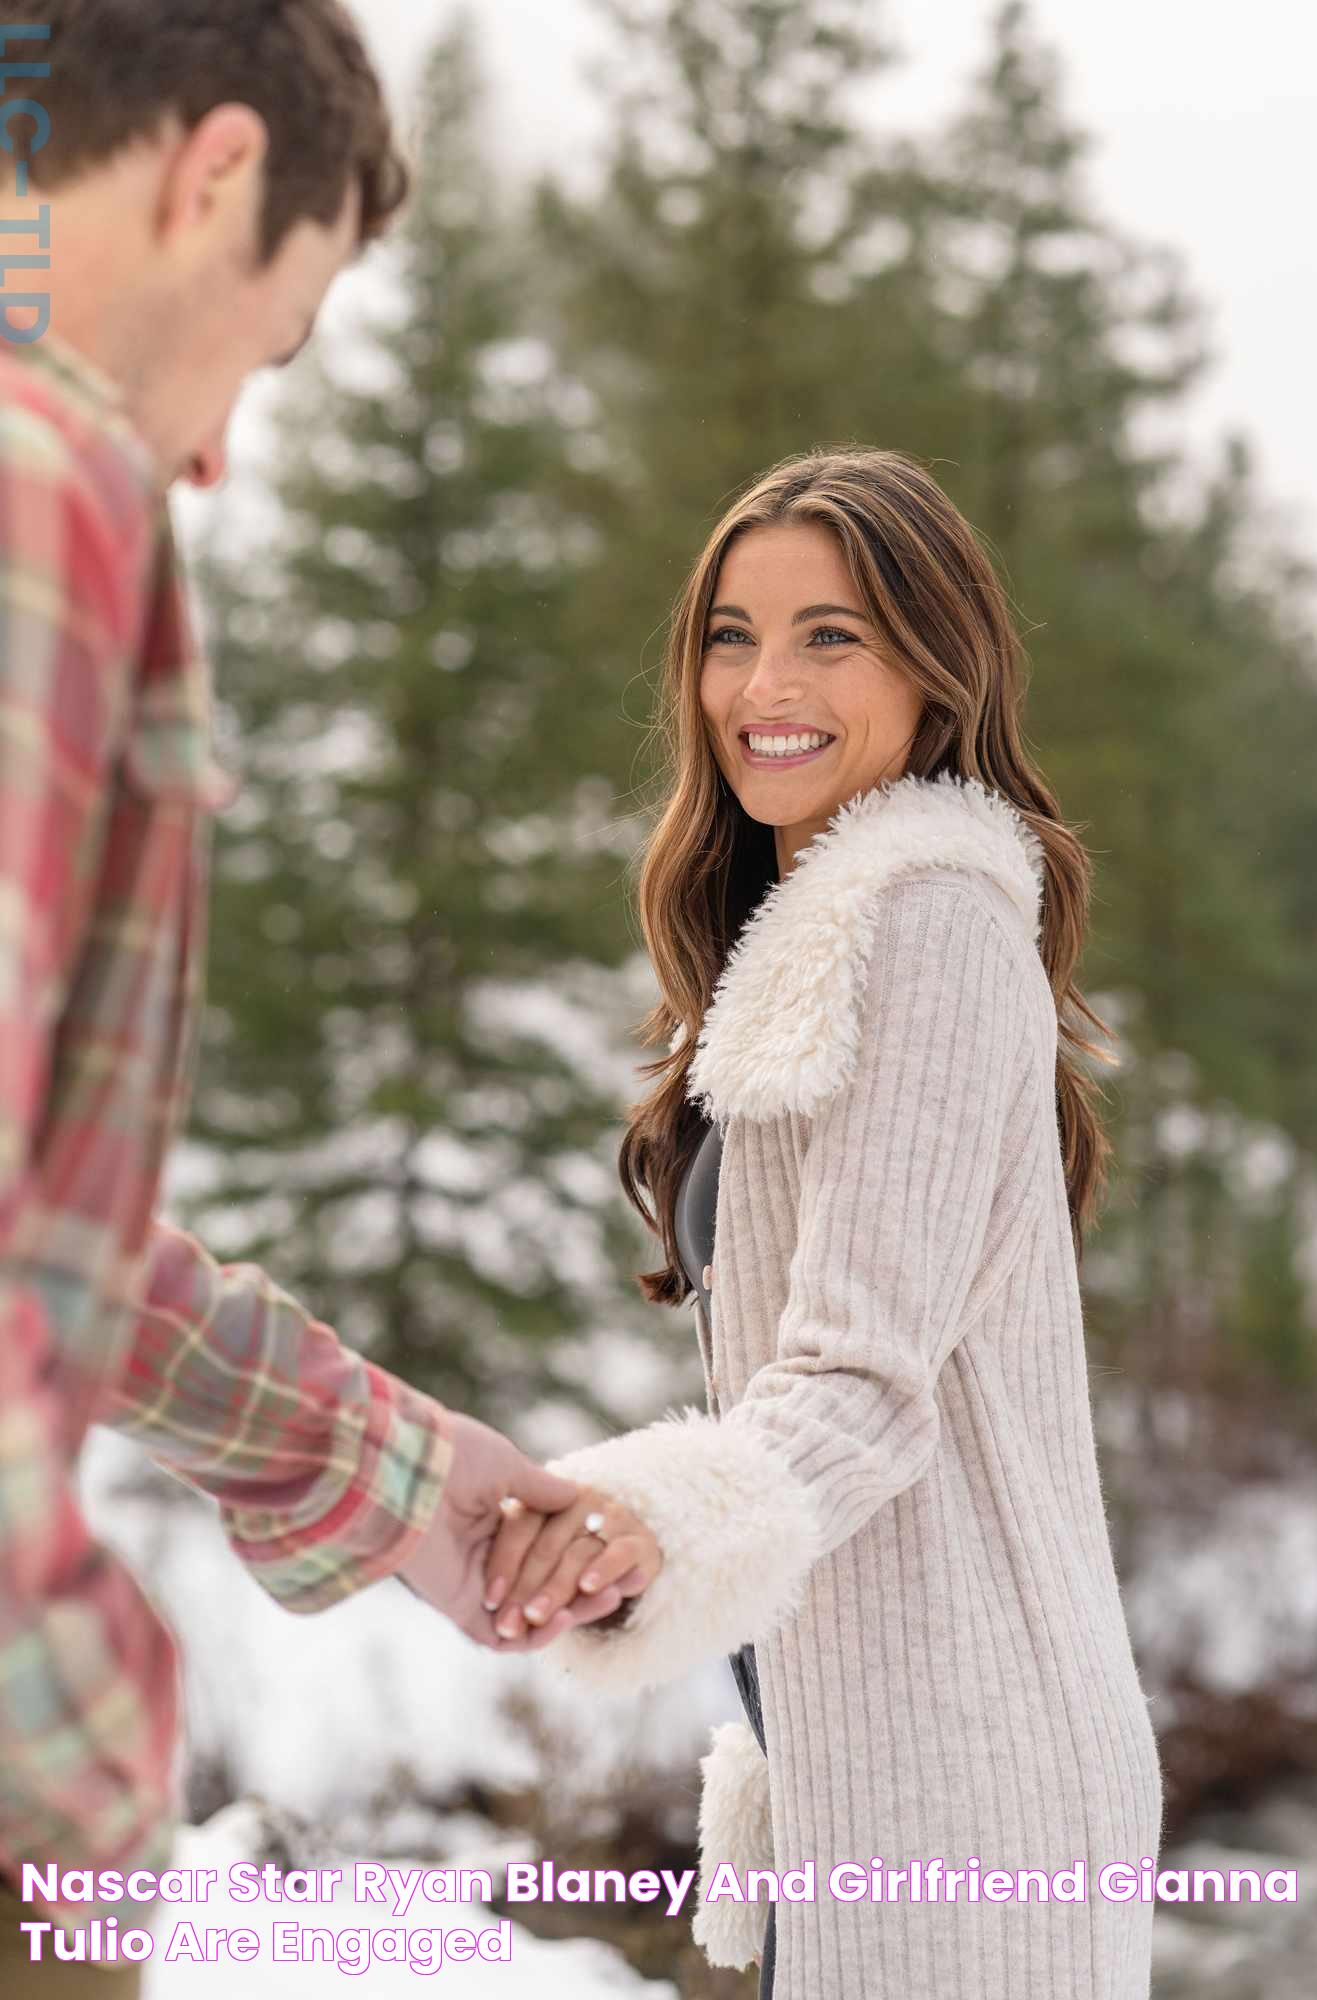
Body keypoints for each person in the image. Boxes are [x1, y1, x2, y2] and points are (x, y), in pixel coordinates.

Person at [0, 4, 654, 1988]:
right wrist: (81, 1764)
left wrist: (391, 1474)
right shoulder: (45, 484)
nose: (217, 450)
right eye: (269, 342)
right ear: (211, 177)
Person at [482, 449, 1167, 1998]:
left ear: (939, 672)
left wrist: (639, 1520)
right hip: (870, 1773)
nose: (760, 683)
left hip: (973, 1796)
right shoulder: (812, 939)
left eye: (829, 636)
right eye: (731, 633)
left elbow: (861, 1387)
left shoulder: (926, 925)